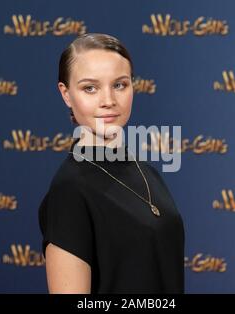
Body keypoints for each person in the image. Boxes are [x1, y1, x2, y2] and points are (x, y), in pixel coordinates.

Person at [38, 33, 185, 294]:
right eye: (90, 88)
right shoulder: (70, 191)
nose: (108, 100)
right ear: (66, 94)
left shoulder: (147, 172)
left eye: (119, 85)